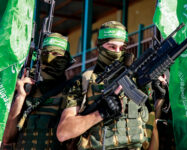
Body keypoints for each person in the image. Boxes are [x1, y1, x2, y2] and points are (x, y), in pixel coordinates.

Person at [56, 21, 160, 150]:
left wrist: (160, 97)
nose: (117, 52)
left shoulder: (136, 80)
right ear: (99, 46)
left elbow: (151, 127)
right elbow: (63, 133)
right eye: (112, 47)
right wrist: (100, 113)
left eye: (122, 48)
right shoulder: (84, 81)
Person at [1, 33, 73, 150]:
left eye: (56, 54)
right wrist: (20, 97)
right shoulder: (28, 90)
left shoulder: (73, 91)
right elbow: (7, 138)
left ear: (66, 60)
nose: (49, 59)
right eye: (45, 54)